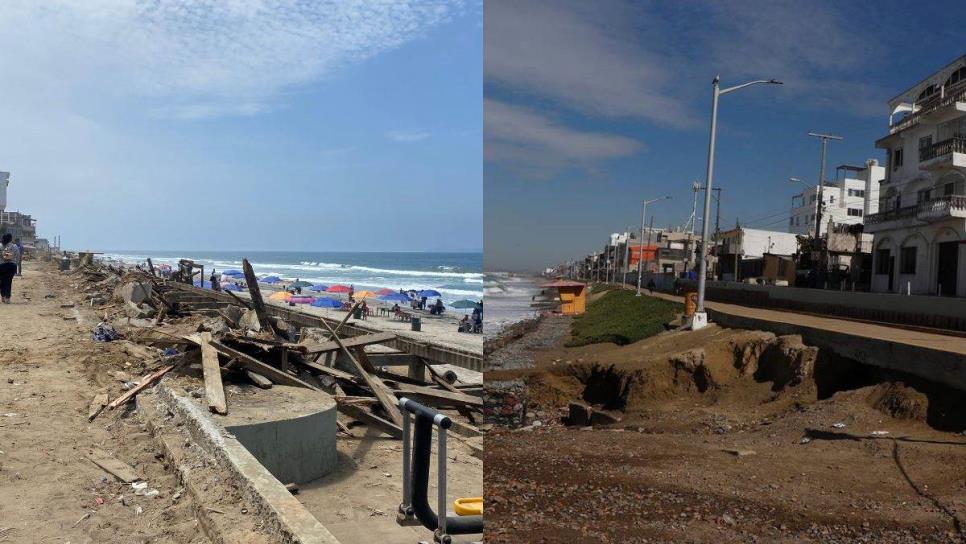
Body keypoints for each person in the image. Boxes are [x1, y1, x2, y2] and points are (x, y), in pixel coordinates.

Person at [0, 234, 20, 303]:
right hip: (11, 266)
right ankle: (7, 299)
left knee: (2, 281)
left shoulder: (0, 246)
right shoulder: (14, 246)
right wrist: (15, 264)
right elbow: (18, 256)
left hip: (1, 266)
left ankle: (2, 297)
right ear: (11, 239)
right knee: (8, 282)